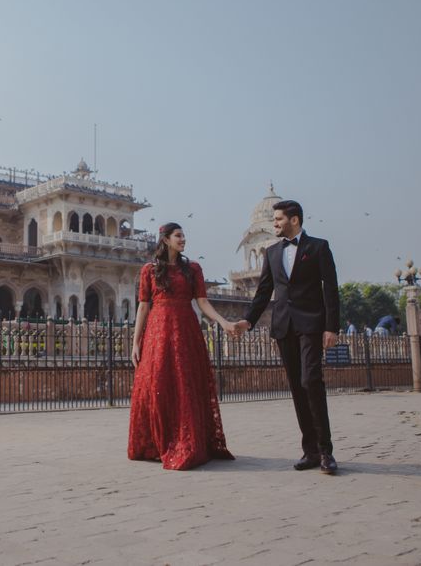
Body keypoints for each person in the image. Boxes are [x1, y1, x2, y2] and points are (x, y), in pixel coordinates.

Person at [235, 200, 340, 474]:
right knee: (296, 386)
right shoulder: (272, 252)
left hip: (311, 324)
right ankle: (310, 451)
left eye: (279, 219)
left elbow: (330, 289)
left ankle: (326, 451)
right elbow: (263, 291)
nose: (275, 224)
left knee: (311, 381)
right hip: (284, 326)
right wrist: (248, 319)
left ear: (294, 220)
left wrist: (332, 327)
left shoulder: (318, 247)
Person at [128, 222, 236, 470]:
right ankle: (157, 442)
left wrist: (222, 322)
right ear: (165, 240)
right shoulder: (150, 270)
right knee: (158, 384)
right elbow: (143, 307)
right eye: (178, 235)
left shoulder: (193, 269)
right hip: (158, 331)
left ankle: (187, 440)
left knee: (185, 384)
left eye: (184, 235)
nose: (183, 239)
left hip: (185, 329)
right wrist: (136, 342)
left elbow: (203, 302)